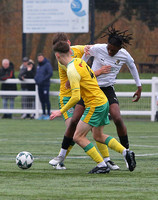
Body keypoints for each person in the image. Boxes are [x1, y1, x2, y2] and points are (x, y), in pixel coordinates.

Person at [50, 41, 136, 174]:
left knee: (77, 136)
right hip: (102, 101)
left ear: (57, 56)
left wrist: (60, 111)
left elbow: (76, 97)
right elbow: (91, 75)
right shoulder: (80, 61)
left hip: (94, 104)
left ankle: (101, 165)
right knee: (98, 135)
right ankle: (125, 152)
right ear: (69, 51)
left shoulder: (71, 70)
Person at [34, 53, 53, 120]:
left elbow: (50, 73)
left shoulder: (47, 65)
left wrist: (43, 80)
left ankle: (48, 114)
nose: (39, 59)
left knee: (46, 99)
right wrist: (36, 79)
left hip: (45, 85)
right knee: (41, 100)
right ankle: (43, 113)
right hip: (39, 85)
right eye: (38, 58)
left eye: (41, 58)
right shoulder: (38, 66)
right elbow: (37, 74)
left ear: (43, 58)